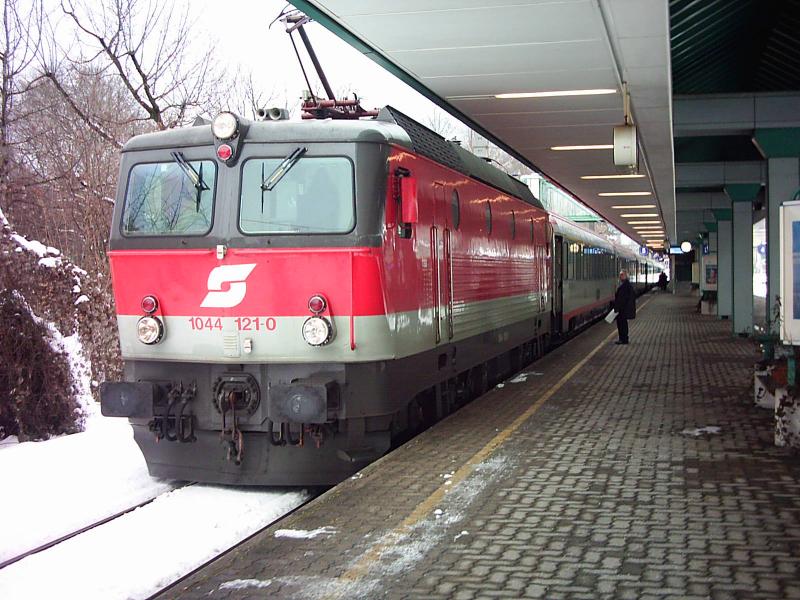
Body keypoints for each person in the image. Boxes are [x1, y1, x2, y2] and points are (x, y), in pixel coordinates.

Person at [614, 270, 636, 345]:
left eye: (622, 275)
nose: (620, 276)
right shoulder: (626, 285)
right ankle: (623, 339)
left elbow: (622, 299)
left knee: (622, 325)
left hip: (622, 310)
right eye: (620, 275)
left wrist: (618, 308)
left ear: (626, 276)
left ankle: (623, 339)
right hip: (623, 309)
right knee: (622, 324)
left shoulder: (625, 286)